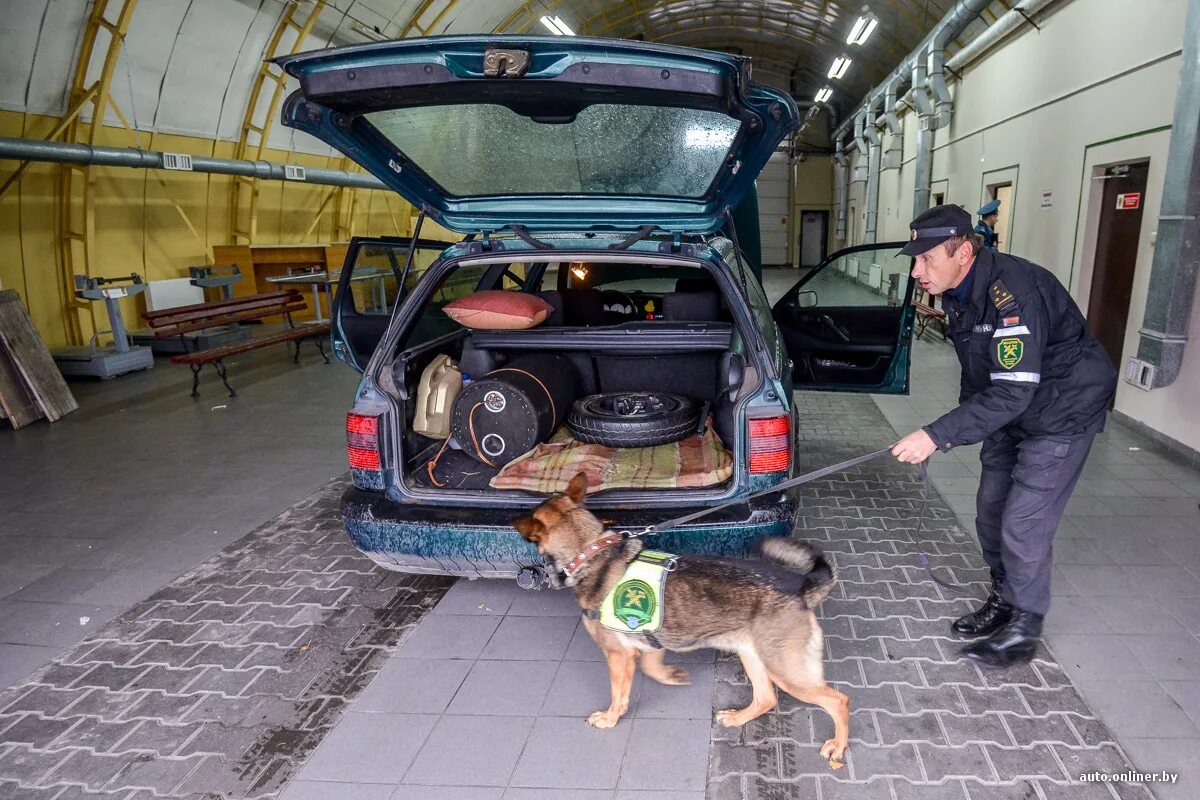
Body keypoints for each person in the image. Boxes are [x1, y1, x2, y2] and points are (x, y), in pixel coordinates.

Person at [890, 205, 1117, 669]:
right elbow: (979, 372)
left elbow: (1014, 389)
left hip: (1062, 410)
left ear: (964, 252)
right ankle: (1005, 598)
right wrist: (958, 427)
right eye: (914, 260)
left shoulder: (1014, 292)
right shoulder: (958, 290)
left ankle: (1024, 627)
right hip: (1013, 406)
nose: (917, 271)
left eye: (925, 259)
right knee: (991, 508)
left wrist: (937, 435)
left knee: (1024, 522)